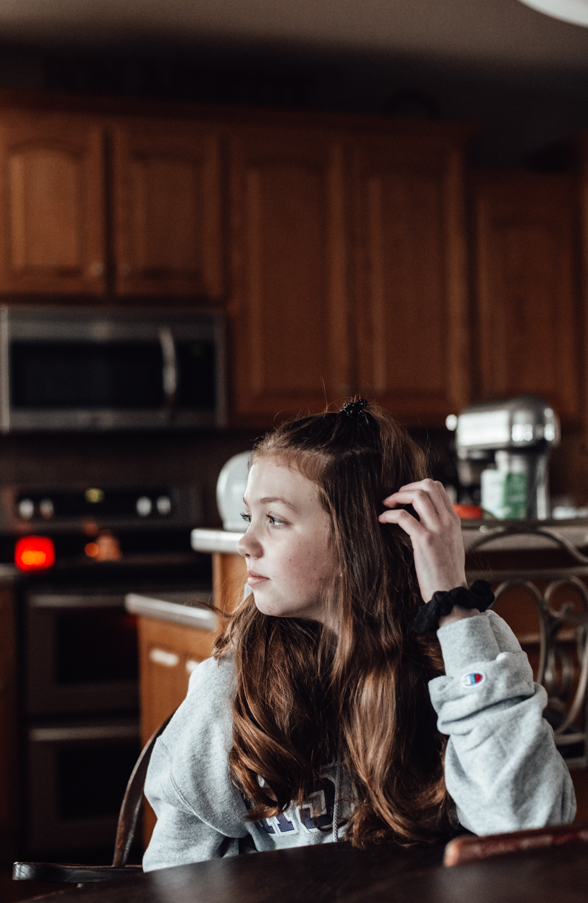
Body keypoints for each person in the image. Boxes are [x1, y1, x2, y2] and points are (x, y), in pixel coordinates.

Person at [143, 400, 575, 871]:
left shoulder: (470, 646)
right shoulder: (235, 685)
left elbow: (530, 821)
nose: (245, 543)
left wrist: (452, 607)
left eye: (275, 520)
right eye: (250, 518)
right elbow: (177, 871)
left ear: (358, 538)